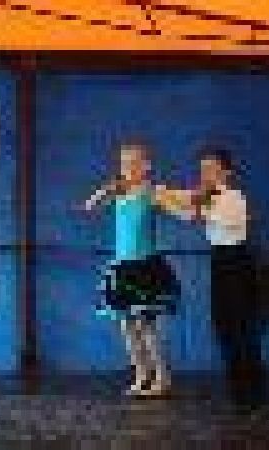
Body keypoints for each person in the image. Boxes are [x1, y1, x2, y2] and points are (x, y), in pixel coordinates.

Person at [83, 139, 181, 397]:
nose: (129, 168)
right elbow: (90, 206)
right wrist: (105, 190)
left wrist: (179, 199)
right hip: (122, 267)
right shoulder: (118, 193)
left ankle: (162, 376)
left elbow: (182, 212)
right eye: (124, 163)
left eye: (135, 163)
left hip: (145, 267)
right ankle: (141, 374)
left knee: (146, 325)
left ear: (147, 166)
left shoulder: (152, 192)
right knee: (126, 326)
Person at [192, 145, 261, 404]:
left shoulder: (234, 197)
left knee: (241, 327)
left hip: (237, 262)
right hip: (219, 261)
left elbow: (221, 219)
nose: (205, 174)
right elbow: (189, 209)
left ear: (226, 172)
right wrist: (164, 195)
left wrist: (197, 204)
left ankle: (252, 392)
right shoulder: (206, 196)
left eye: (211, 168)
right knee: (223, 325)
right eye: (202, 169)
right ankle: (239, 390)